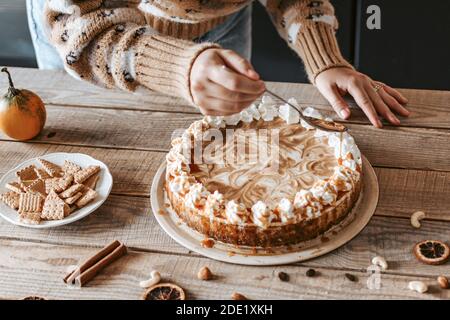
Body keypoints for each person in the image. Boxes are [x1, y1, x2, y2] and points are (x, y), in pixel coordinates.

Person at [27, 0, 409, 127]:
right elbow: (83, 31)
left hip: (224, 23)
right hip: (90, 28)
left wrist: (325, 59)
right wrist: (180, 67)